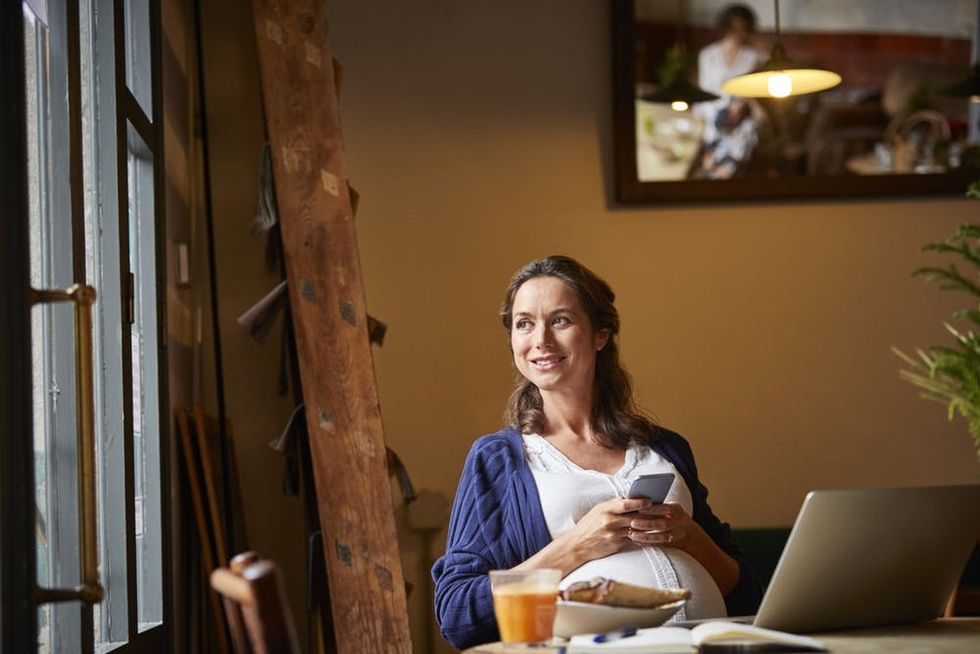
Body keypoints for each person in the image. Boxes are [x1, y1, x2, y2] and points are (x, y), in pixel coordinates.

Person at [432, 256, 762, 649]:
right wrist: (577, 545)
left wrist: (690, 537)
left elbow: (746, 594)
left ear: (600, 334)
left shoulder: (666, 448)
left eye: (560, 320)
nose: (540, 340)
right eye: (524, 324)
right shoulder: (499, 459)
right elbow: (456, 614)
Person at [693, 4, 767, 178]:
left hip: (740, 117)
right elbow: (704, 92)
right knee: (712, 161)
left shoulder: (751, 56)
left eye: (744, 29)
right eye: (735, 28)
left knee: (743, 140)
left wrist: (744, 104)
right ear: (726, 27)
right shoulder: (708, 55)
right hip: (715, 115)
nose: (739, 33)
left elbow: (752, 88)